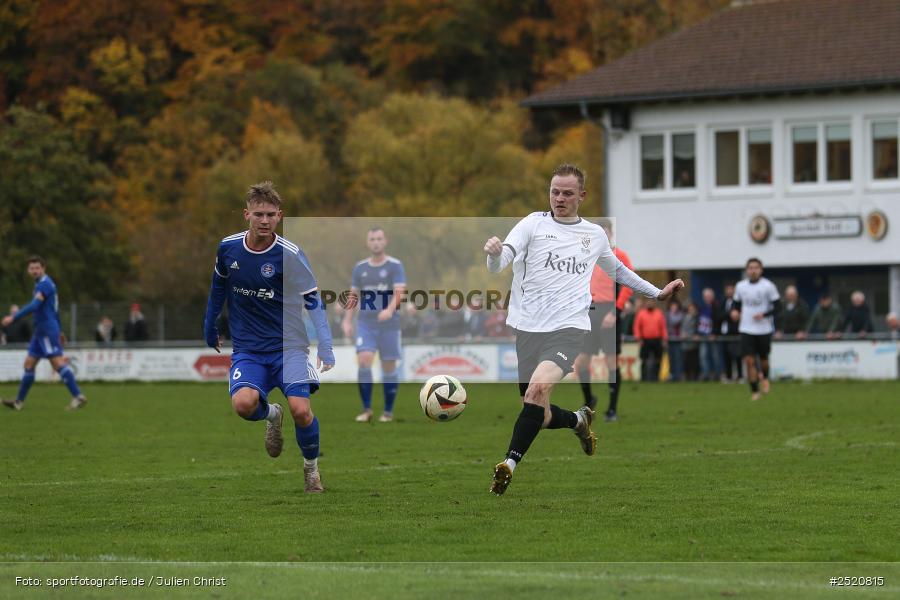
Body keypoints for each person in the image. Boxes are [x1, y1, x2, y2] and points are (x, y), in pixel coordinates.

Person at [482, 163, 683, 495]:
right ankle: (578, 421)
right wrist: (493, 255)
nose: (559, 198)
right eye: (554, 192)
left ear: (582, 196)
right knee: (537, 411)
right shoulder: (532, 224)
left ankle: (508, 465)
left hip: (570, 327)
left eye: (567, 193)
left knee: (535, 393)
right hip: (528, 329)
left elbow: (619, 271)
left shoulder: (594, 235)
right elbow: (500, 262)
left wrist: (657, 293)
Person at [203, 181, 334, 494]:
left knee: (301, 410)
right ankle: (272, 414)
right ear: (246, 214)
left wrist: (326, 344)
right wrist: (210, 325)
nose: (265, 220)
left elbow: (313, 299)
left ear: (280, 216)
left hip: (289, 348)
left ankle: (311, 469)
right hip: (249, 349)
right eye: (259, 214)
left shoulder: (290, 254)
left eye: (271, 215)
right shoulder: (228, 248)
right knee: (243, 405)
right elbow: (218, 288)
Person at [1, 256, 87, 411]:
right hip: (41, 331)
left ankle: (78, 396)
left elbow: (34, 306)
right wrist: (60, 330)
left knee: (57, 363)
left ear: (43, 268)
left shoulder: (45, 284)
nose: (34, 271)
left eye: (37, 268)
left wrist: (13, 317)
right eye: (31, 268)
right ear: (28, 270)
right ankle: (18, 402)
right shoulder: (40, 284)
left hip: (46, 331)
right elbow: (54, 309)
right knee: (29, 364)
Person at [342, 227, 407, 423]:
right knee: (364, 360)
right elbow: (353, 295)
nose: (376, 242)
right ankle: (367, 409)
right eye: (372, 239)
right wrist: (347, 320)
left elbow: (400, 292)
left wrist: (389, 310)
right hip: (366, 322)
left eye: (379, 239)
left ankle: (387, 411)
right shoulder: (360, 268)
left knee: (389, 367)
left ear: (385, 241)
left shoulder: (395, 266)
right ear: (368, 243)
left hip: (390, 324)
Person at [572, 218, 634, 422]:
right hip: (589, 311)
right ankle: (589, 400)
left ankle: (612, 410)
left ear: (610, 234)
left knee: (611, 362)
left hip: (610, 310)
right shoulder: (586, 255)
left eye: (605, 231)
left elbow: (629, 283)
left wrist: (615, 311)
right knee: (581, 361)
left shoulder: (620, 255)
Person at [731, 258, 781, 401]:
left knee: (764, 359)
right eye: (751, 268)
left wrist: (764, 315)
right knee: (749, 360)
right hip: (746, 328)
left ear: (761, 270)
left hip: (764, 329)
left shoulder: (768, 286)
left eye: (756, 268)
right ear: (747, 270)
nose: (753, 270)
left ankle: (765, 377)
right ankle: (755, 391)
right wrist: (734, 312)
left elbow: (778, 307)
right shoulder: (740, 286)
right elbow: (735, 304)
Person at [633, 299, 667, 382]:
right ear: (646, 303)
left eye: (651, 302)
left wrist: (664, 339)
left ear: (654, 303)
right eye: (648, 302)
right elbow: (636, 327)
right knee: (644, 359)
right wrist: (639, 338)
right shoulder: (641, 314)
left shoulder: (659, 313)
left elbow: (663, 327)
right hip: (645, 340)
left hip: (657, 339)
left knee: (658, 359)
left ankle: (656, 378)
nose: (650, 304)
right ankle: (643, 378)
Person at [698, 288, 723, 381]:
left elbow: (718, 321)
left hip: (713, 335)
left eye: (709, 296)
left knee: (715, 356)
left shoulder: (717, 307)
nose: (707, 298)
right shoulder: (701, 307)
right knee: (703, 355)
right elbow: (699, 321)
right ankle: (706, 375)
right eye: (705, 296)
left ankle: (717, 375)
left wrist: (714, 333)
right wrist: (697, 333)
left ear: (712, 297)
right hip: (703, 335)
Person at [720, 284, 742, 382]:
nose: (729, 292)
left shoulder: (738, 302)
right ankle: (729, 376)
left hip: (735, 333)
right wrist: (729, 314)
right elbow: (719, 315)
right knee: (727, 356)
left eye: (731, 290)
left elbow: (738, 316)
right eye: (727, 290)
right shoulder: (723, 302)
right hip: (725, 333)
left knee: (738, 355)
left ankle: (740, 376)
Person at [665, 299, 685, 382]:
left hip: (678, 340)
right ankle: (672, 375)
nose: (674, 307)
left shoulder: (681, 315)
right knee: (671, 358)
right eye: (672, 306)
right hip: (670, 339)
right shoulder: (667, 315)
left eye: (675, 306)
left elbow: (677, 323)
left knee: (678, 358)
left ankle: (678, 375)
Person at [682, 302, 700, 381]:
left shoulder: (697, 317)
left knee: (695, 360)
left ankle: (695, 376)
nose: (691, 310)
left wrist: (696, 334)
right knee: (687, 360)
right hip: (686, 343)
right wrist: (683, 333)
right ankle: (688, 376)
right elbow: (683, 327)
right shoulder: (685, 317)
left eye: (693, 309)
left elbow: (698, 328)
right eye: (690, 309)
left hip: (694, 343)